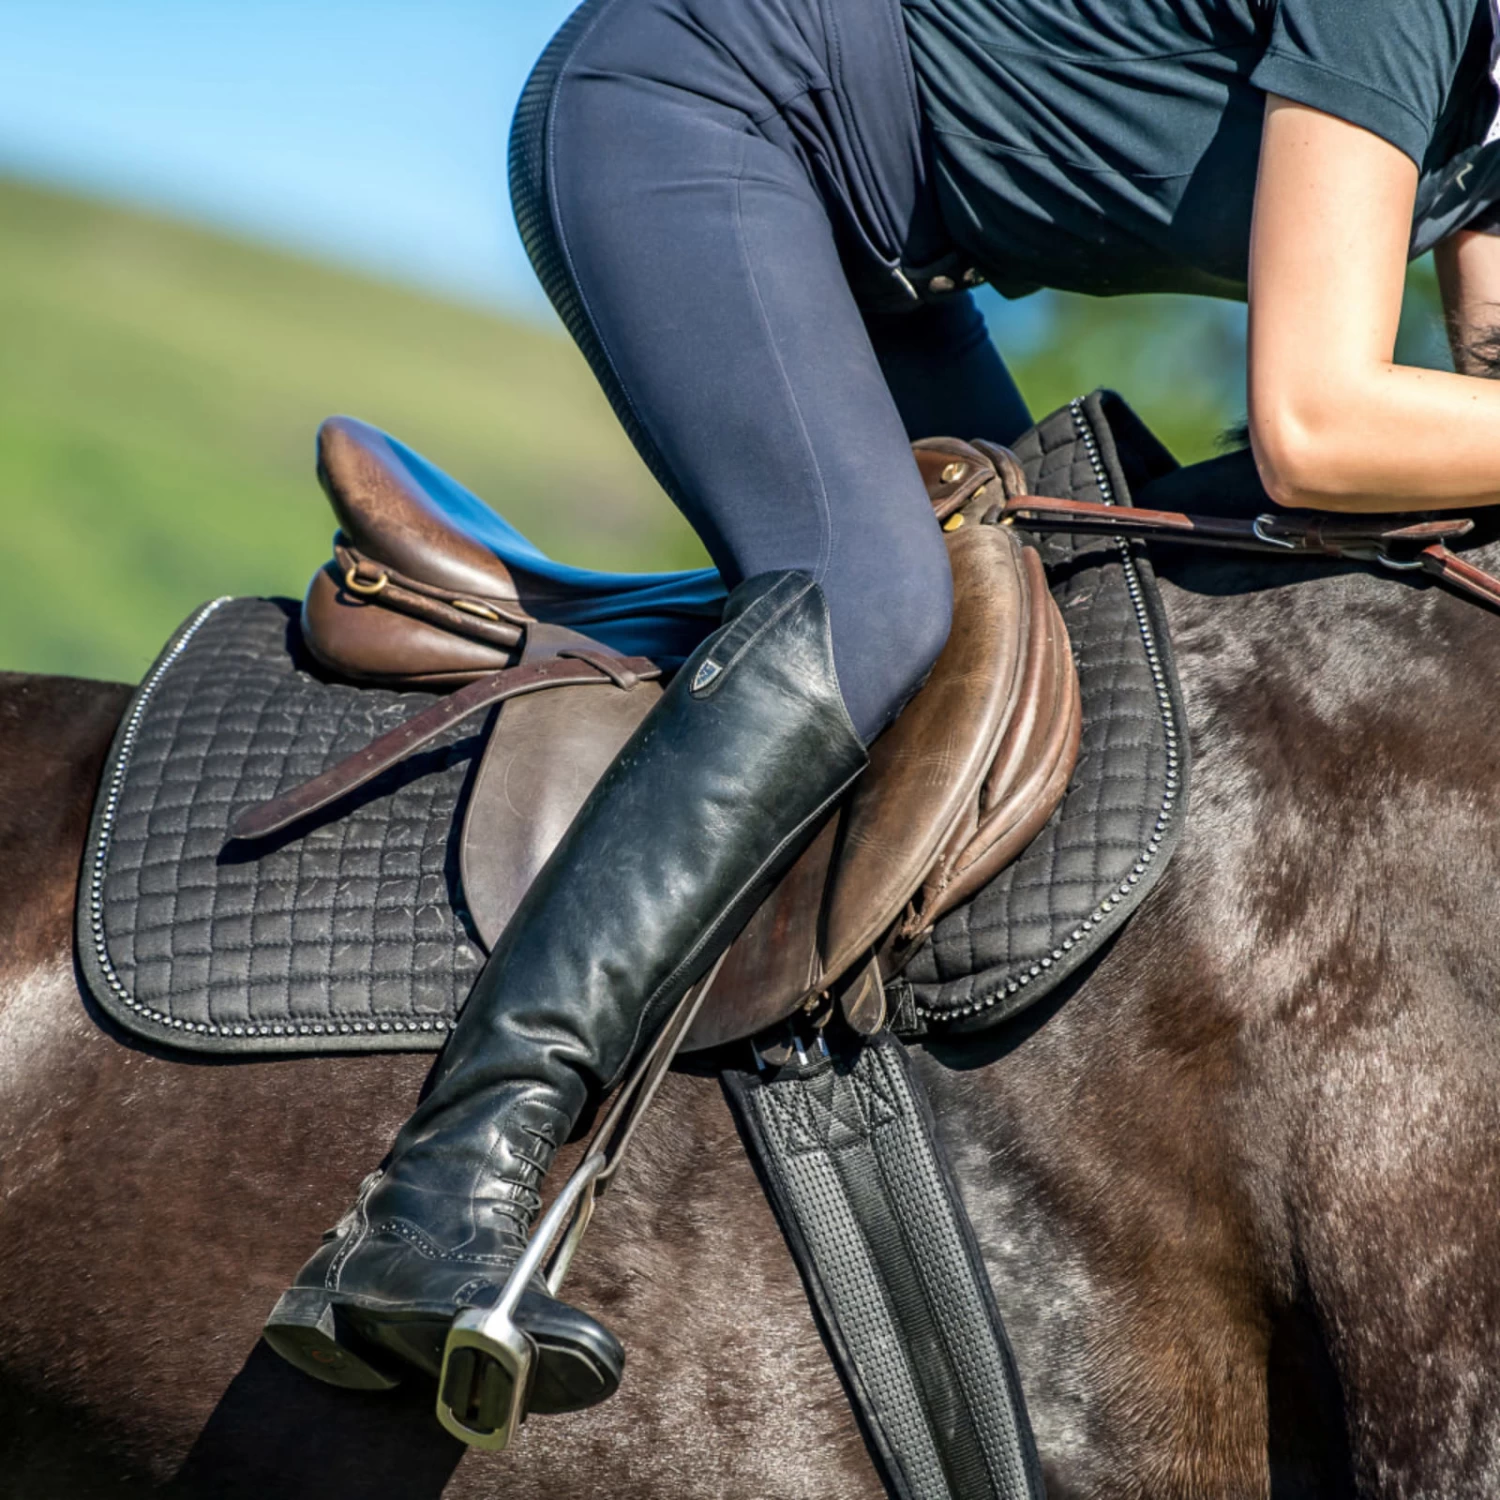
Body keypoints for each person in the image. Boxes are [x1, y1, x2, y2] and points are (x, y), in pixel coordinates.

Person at [264, 0, 1500, 1434]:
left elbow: (1483, 364)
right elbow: (1320, 421)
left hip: (891, 260)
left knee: (1058, 630)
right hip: (699, 105)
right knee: (876, 602)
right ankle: (442, 1188)